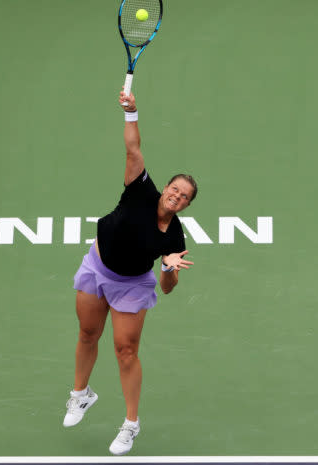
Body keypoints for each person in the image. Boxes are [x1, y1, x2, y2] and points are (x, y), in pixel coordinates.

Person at [62, 89, 197, 455]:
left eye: (184, 197)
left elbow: (168, 287)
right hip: (97, 266)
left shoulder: (175, 235)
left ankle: (130, 424)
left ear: (186, 205)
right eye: (175, 189)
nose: (177, 196)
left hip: (132, 285)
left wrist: (168, 269)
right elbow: (133, 150)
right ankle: (81, 395)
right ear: (165, 188)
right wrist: (132, 113)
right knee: (88, 333)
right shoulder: (140, 190)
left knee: (125, 351)